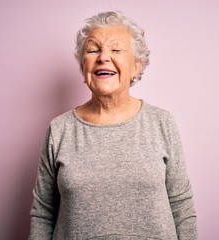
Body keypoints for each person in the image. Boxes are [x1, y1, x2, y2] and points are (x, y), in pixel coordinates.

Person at [29, 11, 197, 240]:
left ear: (136, 67)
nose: (103, 57)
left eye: (116, 50)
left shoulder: (162, 123)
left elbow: (181, 206)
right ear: (83, 65)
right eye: (93, 50)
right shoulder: (59, 130)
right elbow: (43, 214)